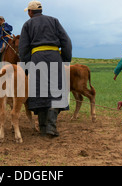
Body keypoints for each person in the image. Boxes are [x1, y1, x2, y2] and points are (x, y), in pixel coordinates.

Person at [19, 1, 72, 137]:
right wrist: (65, 60)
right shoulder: (54, 21)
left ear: (30, 12)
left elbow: (23, 48)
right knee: (56, 90)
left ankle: (43, 127)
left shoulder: (27, 24)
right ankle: (51, 126)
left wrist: (25, 66)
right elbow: (66, 42)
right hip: (55, 57)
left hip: (37, 59)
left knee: (39, 92)